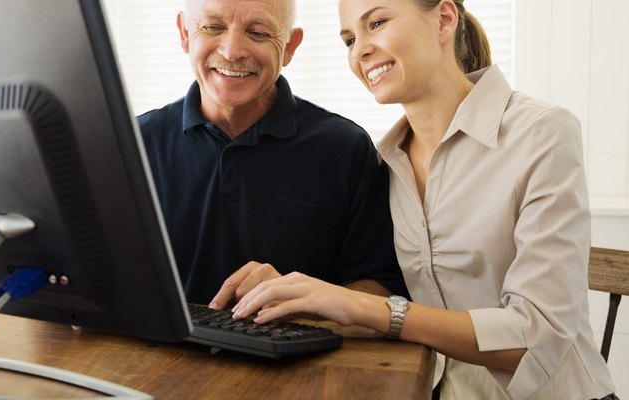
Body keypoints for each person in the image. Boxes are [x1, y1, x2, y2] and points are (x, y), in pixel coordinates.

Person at [231, 0, 618, 399]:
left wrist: (365, 308)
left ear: (445, 18)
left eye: (377, 22)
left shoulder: (542, 133)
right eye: (349, 39)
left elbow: (536, 337)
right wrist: (308, 302)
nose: (359, 49)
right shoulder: (383, 164)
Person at [137, 0, 408, 306]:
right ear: (185, 33)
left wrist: (302, 298)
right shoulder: (134, 143)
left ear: (290, 46)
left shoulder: (345, 149)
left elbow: (385, 290)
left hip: (299, 354)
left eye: (258, 33)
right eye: (213, 27)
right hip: (154, 353)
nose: (231, 51)